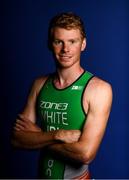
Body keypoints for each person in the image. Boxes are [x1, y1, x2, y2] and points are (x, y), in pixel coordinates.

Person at [11, 12, 113, 179]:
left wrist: (37, 135)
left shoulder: (98, 89)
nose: (65, 49)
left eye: (72, 41)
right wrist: (57, 135)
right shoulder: (39, 84)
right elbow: (17, 139)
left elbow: (85, 154)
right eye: (59, 42)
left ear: (83, 44)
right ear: (50, 44)